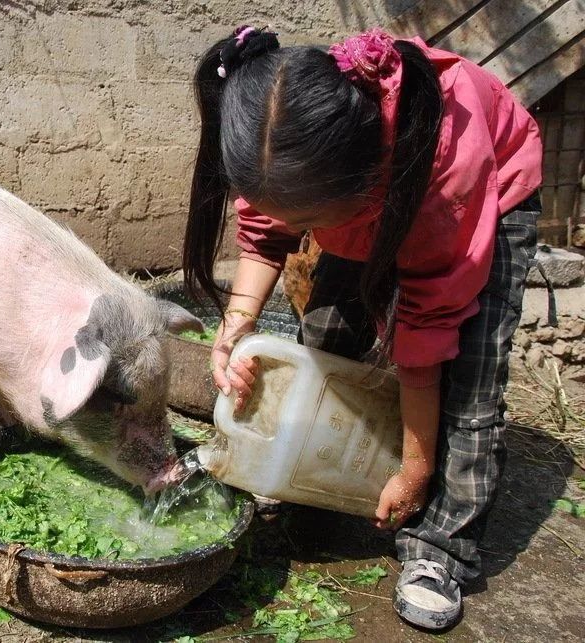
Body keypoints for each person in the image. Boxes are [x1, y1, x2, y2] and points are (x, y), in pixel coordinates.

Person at [182, 26, 542, 630]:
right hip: (364, 197)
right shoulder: (279, 142)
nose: (293, 231)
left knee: (468, 384)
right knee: (325, 341)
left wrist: (416, 466)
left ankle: (441, 546)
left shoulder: (441, 173)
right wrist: (234, 331)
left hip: (487, 197)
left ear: (362, 184)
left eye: (307, 223)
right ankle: (323, 478)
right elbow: (266, 236)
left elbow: (425, 334)